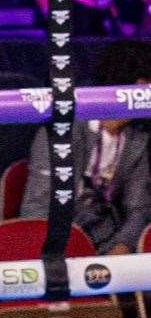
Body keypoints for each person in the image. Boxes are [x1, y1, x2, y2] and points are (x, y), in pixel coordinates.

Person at [21, 43, 151, 255]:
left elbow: (139, 209)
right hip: (56, 243)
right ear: (141, 86)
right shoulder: (61, 130)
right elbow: (38, 208)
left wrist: (123, 245)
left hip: (106, 238)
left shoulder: (137, 140)